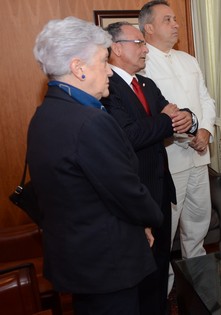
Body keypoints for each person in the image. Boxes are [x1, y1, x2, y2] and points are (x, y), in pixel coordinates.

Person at [28, 17, 163, 314]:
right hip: (107, 262)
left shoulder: (45, 114)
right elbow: (125, 190)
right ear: (79, 68)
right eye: (104, 61)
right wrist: (152, 217)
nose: (110, 73)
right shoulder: (90, 122)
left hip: (77, 258)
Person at [100, 21, 197, 315]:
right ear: (117, 48)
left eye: (144, 43)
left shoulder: (146, 84)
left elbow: (174, 112)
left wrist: (188, 117)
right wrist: (166, 121)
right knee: (141, 275)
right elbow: (129, 135)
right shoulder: (107, 88)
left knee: (159, 267)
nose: (145, 50)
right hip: (133, 195)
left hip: (160, 189)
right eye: (139, 43)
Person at [138, 0, 216, 290]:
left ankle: (197, 285)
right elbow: (153, 115)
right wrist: (187, 134)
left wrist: (205, 130)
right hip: (168, 160)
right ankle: (167, 291)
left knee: (198, 226)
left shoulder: (188, 59)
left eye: (175, 19)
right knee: (165, 232)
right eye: (167, 19)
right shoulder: (142, 65)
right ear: (148, 28)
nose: (175, 24)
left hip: (199, 155)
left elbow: (206, 99)